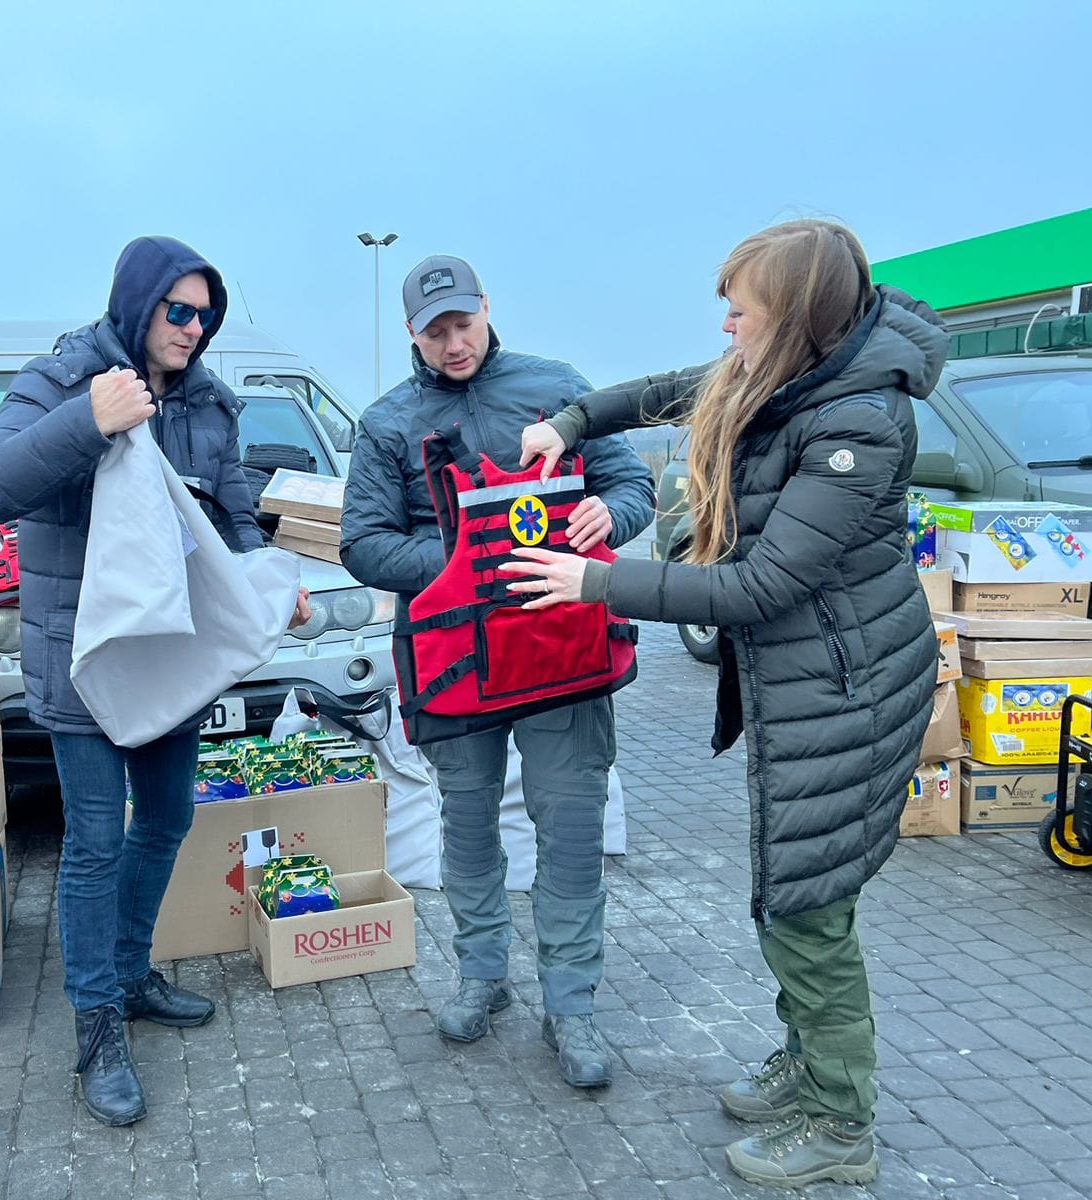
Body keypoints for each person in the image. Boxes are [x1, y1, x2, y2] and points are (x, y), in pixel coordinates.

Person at [508, 219, 942, 1186]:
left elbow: (759, 588)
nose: (725, 327)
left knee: (807, 907)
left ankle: (842, 1121)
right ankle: (811, 1062)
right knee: (785, 892)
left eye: (740, 311)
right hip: (810, 686)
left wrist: (593, 583)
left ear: (789, 318)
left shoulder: (856, 421)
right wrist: (571, 421)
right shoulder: (790, 377)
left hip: (849, 694)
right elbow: (666, 390)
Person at [0, 235, 309, 1127]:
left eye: (206, 314)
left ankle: (129, 970)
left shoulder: (208, 403)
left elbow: (235, 519)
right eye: (178, 311)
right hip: (82, 654)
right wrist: (91, 418)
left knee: (164, 819)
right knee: (94, 842)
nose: (194, 329)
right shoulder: (64, 376)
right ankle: (96, 1025)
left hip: (171, 652)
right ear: (137, 302)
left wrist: (271, 590)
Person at [340, 254, 655, 1087]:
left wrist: (608, 512)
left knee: (573, 827)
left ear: (487, 310)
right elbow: (363, 541)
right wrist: (463, 561)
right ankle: (483, 978)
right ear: (410, 332)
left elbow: (631, 486)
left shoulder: (558, 389)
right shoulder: (386, 422)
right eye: (435, 330)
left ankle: (573, 1005)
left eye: (464, 323)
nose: (454, 343)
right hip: (453, 664)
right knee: (469, 824)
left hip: (563, 653)